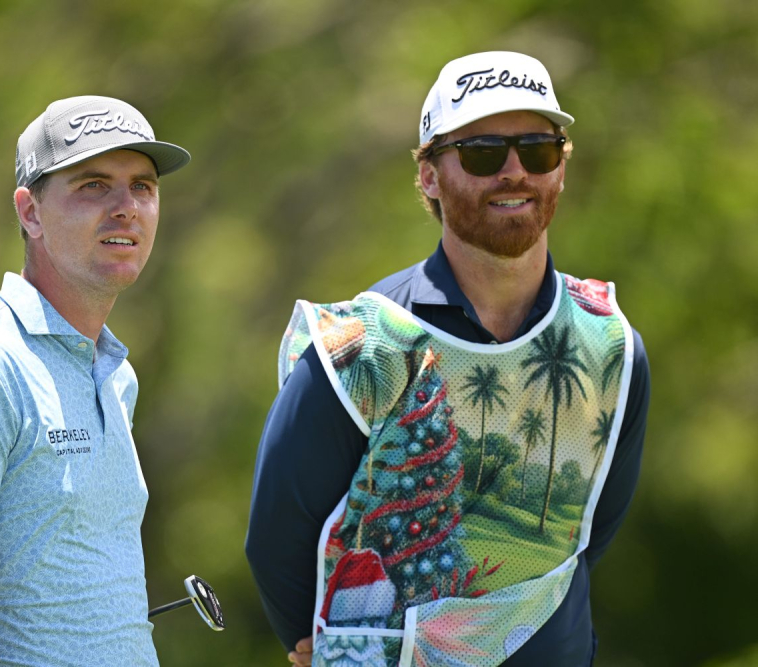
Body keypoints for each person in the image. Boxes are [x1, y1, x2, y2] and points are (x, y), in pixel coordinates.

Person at [246, 51, 649, 667]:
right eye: (483, 152)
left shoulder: (611, 342)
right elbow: (277, 535)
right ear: (430, 175)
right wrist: (328, 646)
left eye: (538, 150)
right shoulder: (364, 344)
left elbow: (590, 529)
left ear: (561, 168)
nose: (514, 172)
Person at [0, 96, 190, 666]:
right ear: (30, 213)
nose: (127, 207)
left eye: (143, 187)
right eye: (94, 185)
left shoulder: (115, 373)